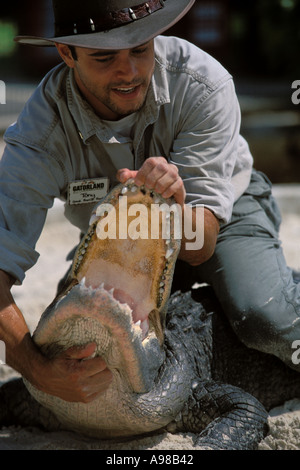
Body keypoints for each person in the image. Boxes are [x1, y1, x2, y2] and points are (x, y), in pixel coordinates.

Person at [0, 0, 299, 404]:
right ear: (66, 53)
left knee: (266, 320)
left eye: (141, 49)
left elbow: (200, 244)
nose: (130, 72)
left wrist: (173, 208)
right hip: (119, 233)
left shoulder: (203, 82)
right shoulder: (38, 133)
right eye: (105, 56)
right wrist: (36, 371)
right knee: (71, 341)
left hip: (219, 217)